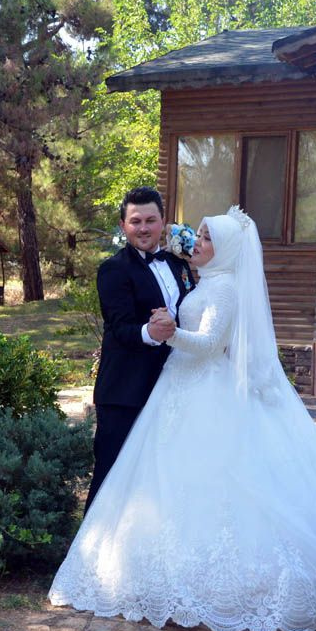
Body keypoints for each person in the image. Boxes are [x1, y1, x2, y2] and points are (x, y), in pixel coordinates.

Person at [50, 207, 316, 631]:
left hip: (203, 384)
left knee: (218, 481)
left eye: (206, 239)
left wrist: (172, 333)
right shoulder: (201, 278)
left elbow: (209, 344)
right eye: (199, 236)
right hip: (175, 387)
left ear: (224, 249)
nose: (197, 243)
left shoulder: (224, 288)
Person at [86, 186, 195, 509]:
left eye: (150, 220)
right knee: (111, 478)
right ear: (123, 225)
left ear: (164, 222)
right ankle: (88, 554)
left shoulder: (180, 265)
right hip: (124, 393)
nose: (143, 228)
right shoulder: (113, 270)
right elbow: (120, 328)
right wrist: (152, 331)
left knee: (159, 481)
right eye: (135, 221)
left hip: (173, 390)